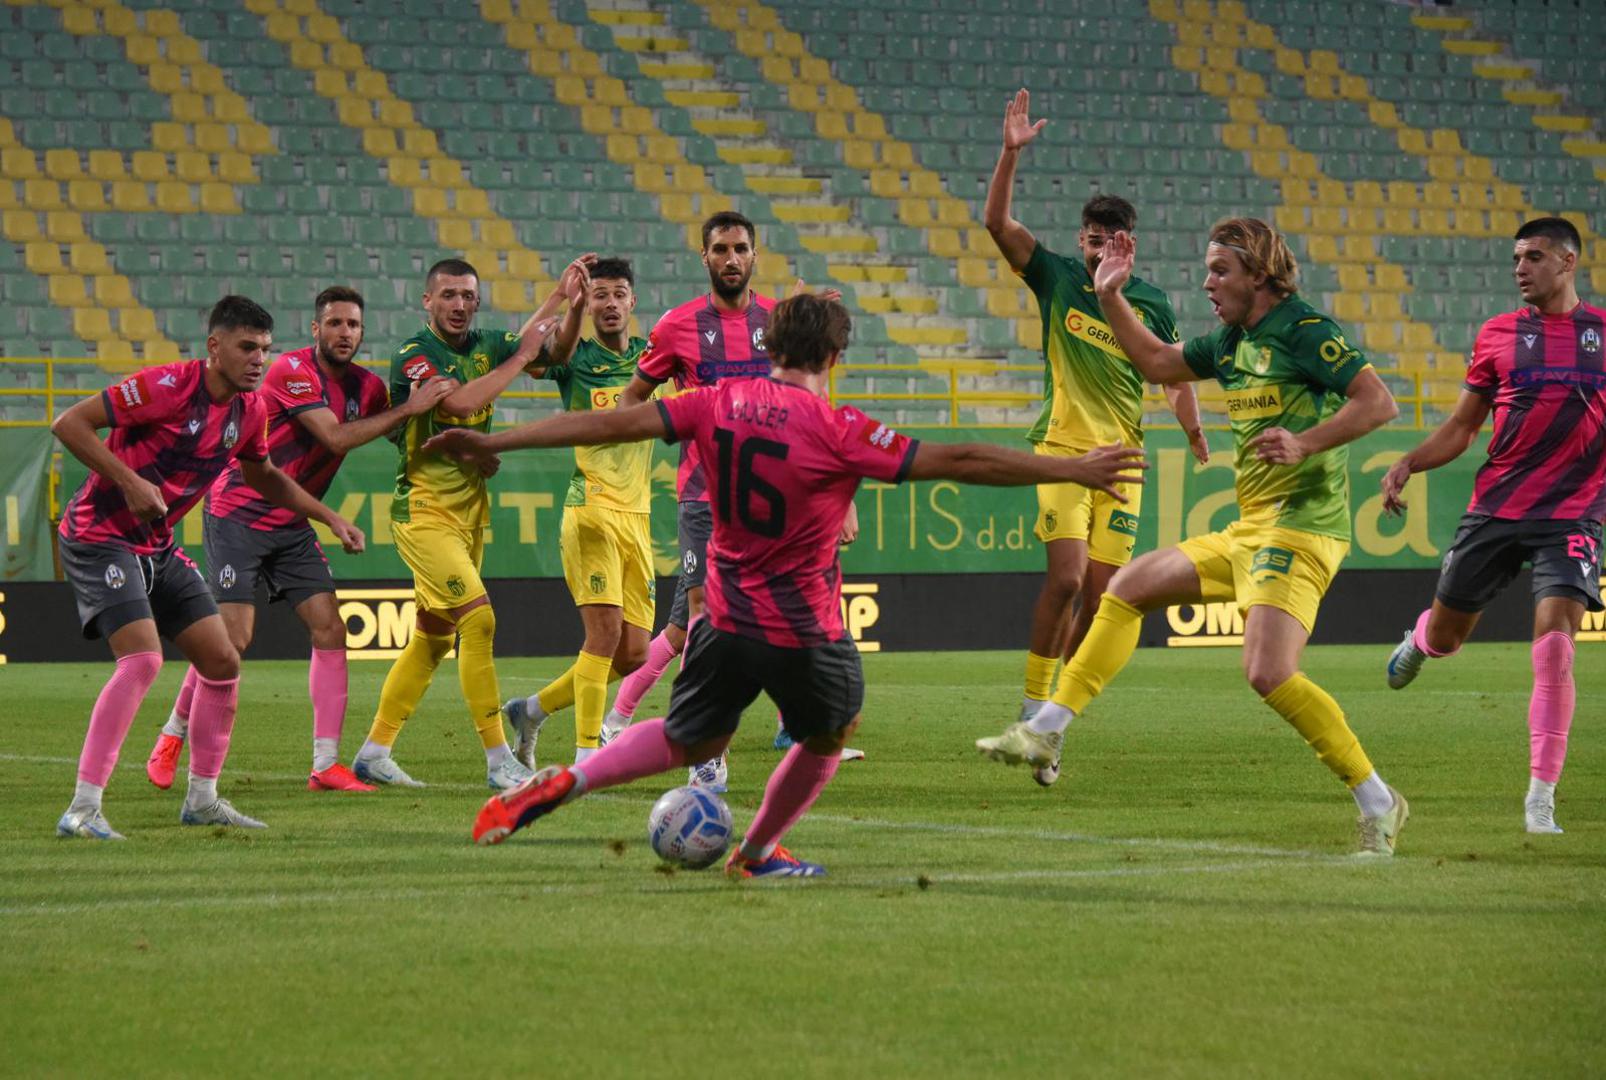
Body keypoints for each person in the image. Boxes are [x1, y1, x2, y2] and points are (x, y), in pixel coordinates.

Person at [426, 293, 1147, 876]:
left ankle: (570, 779)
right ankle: (758, 852)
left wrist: (492, 440)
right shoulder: (841, 428)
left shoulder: (714, 401)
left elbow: (606, 425)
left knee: (688, 737)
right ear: (834, 356)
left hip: (723, 621)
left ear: (769, 346)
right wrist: (1070, 468)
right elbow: (961, 459)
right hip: (805, 630)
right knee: (832, 731)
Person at [975, 218, 1411, 856]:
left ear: (1259, 274)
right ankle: (1045, 727)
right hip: (1251, 529)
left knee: (1267, 672)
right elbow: (1156, 362)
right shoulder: (1232, 342)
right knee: (1127, 588)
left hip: (1301, 529)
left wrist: (1304, 441)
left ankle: (1378, 800)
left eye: (1219, 271)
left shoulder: (1305, 330)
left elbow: (1377, 402)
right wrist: (1109, 295)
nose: (1207, 284)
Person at [512, 210, 846, 793]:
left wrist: (840, 497)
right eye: (720, 249)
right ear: (704, 257)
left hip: (773, 500)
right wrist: (657, 424)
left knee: (751, 624)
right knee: (701, 620)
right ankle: (705, 751)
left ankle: (792, 724)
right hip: (700, 495)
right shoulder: (676, 327)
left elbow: (812, 402)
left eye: (740, 248)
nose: (731, 258)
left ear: (754, 255)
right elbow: (631, 400)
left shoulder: (778, 322)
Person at [52, 295, 365, 839]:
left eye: (264, 349)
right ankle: (82, 809)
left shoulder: (251, 410)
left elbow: (265, 476)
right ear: (214, 347)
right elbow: (69, 423)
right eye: (247, 347)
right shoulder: (166, 386)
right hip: (99, 537)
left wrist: (328, 517)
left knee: (222, 660)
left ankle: (202, 800)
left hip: (157, 546)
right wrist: (129, 481)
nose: (258, 360)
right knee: (143, 661)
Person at [144, 286, 452, 793]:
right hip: (239, 513)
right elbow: (334, 436)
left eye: (353, 325)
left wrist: (458, 437)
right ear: (316, 329)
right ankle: (172, 733)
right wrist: (409, 410)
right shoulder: (291, 370)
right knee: (232, 641)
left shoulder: (368, 389)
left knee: (330, 627)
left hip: (292, 524)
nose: (345, 333)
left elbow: (402, 433)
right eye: (335, 323)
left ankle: (325, 765)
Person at [984, 87, 1207, 785]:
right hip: (1061, 452)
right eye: (1088, 235)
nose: (1093, 245)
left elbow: (1173, 374)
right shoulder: (1055, 278)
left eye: (1107, 238)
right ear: (1080, 238)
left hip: (1124, 464)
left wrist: (1194, 429)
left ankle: (1053, 724)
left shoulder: (1151, 304)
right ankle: (1033, 705)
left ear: (1126, 244)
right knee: (1067, 578)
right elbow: (996, 223)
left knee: (1106, 599)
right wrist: (1009, 154)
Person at [1381, 216, 1604, 835]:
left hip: (1574, 514)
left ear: (1567, 262)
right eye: (1515, 258)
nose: (1519, 269)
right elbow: (1462, 427)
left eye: (1533, 257)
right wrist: (1409, 462)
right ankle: (1421, 640)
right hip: (1497, 509)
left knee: (1555, 646)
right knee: (1449, 635)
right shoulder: (1498, 334)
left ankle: (1540, 799)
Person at [349, 257, 564, 790]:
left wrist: (562, 297)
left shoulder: (487, 343)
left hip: (468, 513)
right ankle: (498, 759)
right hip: (423, 511)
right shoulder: (414, 354)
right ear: (428, 301)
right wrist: (522, 358)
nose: (460, 304)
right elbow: (464, 402)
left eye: (468, 295)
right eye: (448, 294)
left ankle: (374, 751)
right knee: (479, 621)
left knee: (433, 636)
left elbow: (539, 347)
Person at [500, 255, 658, 768]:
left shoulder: (653, 358)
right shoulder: (577, 356)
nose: (609, 304)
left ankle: (530, 710)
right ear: (588, 305)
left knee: (633, 654)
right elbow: (530, 357)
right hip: (590, 508)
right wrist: (564, 303)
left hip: (638, 516)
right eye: (599, 296)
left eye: (618, 295)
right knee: (604, 635)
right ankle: (588, 756)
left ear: (633, 302)